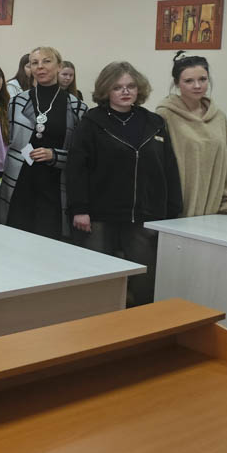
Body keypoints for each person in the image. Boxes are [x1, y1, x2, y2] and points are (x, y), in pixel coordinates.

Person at [67, 62, 182, 306]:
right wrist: (79, 208)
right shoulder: (91, 122)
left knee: (145, 278)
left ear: (139, 89)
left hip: (144, 213)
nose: (125, 91)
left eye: (130, 86)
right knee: (98, 276)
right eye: (117, 87)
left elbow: (169, 168)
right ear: (106, 90)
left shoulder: (154, 122)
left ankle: (142, 321)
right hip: (99, 214)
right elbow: (77, 169)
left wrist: (173, 211)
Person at [0, 46, 87, 240]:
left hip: (54, 184)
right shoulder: (17, 102)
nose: (40, 67)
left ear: (59, 66)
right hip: (21, 182)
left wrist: (54, 155)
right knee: (14, 240)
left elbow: (80, 156)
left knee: (48, 240)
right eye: (34, 63)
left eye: (47, 61)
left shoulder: (77, 107)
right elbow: (13, 142)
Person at [155, 52, 227, 216]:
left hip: (215, 209)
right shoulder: (165, 115)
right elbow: (158, 164)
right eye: (189, 81)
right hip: (176, 209)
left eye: (202, 79)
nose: (197, 86)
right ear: (177, 83)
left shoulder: (219, 117)